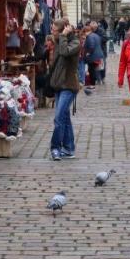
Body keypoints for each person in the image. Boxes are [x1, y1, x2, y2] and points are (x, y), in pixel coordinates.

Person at [48, 18, 80, 161]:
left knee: (59, 117)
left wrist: (62, 37)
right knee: (65, 118)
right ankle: (69, 148)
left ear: (63, 31)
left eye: (55, 30)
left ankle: (55, 148)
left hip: (69, 85)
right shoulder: (57, 42)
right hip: (58, 85)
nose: (52, 32)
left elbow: (65, 52)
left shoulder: (75, 43)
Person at [83, 22, 105, 88]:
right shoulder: (96, 35)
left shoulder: (89, 36)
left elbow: (91, 46)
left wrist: (88, 53)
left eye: (84, 32)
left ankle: (92, 85)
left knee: (91, 70)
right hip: (98, 55)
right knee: (96, 69)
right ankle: (98, 81)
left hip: (93, 57)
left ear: (86, 31)